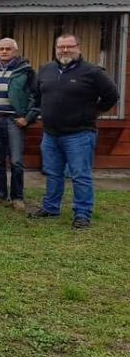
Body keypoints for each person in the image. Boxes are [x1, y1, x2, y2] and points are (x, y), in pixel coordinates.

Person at [30, 34, 118, 229]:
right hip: (51, 133)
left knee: (80, 175)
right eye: (61, 47)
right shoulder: (46, 70)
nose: (65, 50)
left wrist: (94, 112)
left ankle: (82, 214)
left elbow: (112, 96)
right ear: (55, 48)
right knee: (53, 173)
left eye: (69, 46)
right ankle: (51, 208)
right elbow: (36, 95)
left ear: (79, 47)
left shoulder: (93, 72)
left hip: (79, 134)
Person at [0, 37, 38, 210]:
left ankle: (17, 197)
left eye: (8, 49)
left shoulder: (26, 71)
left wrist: (27, 118)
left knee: (16, 161)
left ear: (15, 51)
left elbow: (35, 97)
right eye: (1, 49)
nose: (4, 51)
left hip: (15, 121)